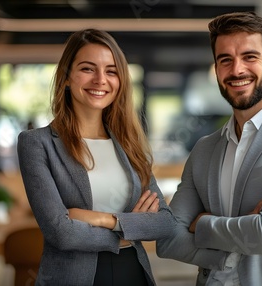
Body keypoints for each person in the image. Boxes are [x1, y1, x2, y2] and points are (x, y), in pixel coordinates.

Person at [156, 11, 262, 286]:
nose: (237, 70)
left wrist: (201, 223)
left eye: (250, 57)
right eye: (225, 60)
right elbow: (168, 240)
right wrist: (230, 252)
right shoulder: (204, 149)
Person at [17, 28, 177, 286]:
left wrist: (105, 219)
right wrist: (129, 231)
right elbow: (61, 233)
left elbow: (166, 222)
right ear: (67, 77)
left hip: (132, 274)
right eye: (88, 69)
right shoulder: (37, 143)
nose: (101, 79)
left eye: (111, 71)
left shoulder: (129, 144)